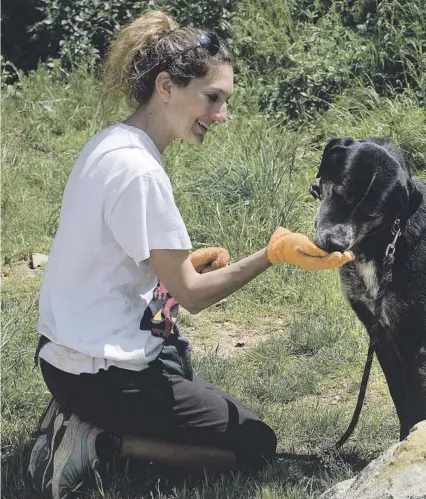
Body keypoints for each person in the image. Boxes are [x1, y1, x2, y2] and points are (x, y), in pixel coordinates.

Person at [26, 9, 354, 499]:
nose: (220, 115)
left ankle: (76, 415)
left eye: (225, 101)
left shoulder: (111, 143)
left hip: (61, 360)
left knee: (178, 356)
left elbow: (115, 258)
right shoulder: (142, 173)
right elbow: (193, 297)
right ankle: (100, 443)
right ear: (166, 86)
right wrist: (273, 254)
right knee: (255, 446)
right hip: (103, 376)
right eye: (212, 98)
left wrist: (179, 265)